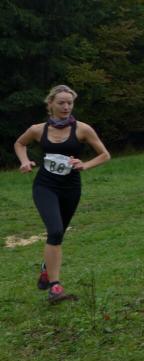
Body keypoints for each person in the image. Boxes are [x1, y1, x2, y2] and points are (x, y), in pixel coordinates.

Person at [13, 85, 111, 303]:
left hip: (71, 188)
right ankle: (55, 287)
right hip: (45, 186)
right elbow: (20, 143)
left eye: (70, 103)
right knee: (55, 230)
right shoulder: (38, 129)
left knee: (57, 236)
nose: (66, 107)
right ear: (50, 104)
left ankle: (46, 268)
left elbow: (105, 155)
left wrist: (85, 165)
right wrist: (24, 161)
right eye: (61, 103)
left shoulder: (82, 129)